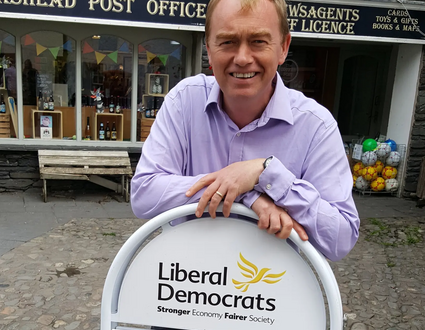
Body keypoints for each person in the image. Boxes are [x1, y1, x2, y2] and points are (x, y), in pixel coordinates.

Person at [131, 0, 359, 262]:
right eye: (227, 41)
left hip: (268, 291)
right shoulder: (184, 101)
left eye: (258, 41)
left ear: (283, 47)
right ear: (208, 48)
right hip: (187, 285)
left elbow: (341, 238)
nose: (242, 58)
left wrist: (266, 172)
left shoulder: (316, 126)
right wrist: (248, 192)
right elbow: (144, 195)